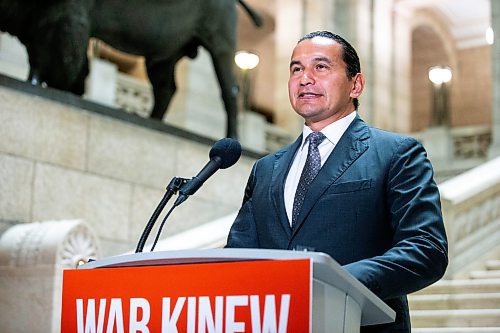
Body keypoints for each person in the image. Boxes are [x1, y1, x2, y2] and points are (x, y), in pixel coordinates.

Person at [225, 31, 448, 332]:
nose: (305, 78)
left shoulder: (396, 153)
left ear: (356, 85)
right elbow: (239, 258)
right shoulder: (266, 169)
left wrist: (337, 284)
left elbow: (426, 248)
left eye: (320, 67)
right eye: (296, 69)